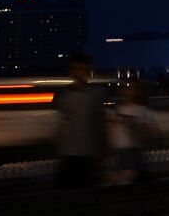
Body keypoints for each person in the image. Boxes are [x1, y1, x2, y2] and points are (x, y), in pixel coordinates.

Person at [53, 53, 106, 189]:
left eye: (84, 70)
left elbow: (100, 123)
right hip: (70, 153)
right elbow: (60, 123)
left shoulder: (95, 94)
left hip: (87, 154)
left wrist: (101, 151)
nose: (80, 73)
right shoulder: (63, 95)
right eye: (77, 69)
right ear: (71, 71)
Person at [107, 78, 158, 184]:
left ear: (138, 91)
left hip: (132, 154)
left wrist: (131, 126)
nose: (127, 90)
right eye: (125, 87)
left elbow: (150, 136)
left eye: (131, 88)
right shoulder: (118, 109)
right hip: (117, 154)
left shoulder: (142, 111)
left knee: (124, 182)